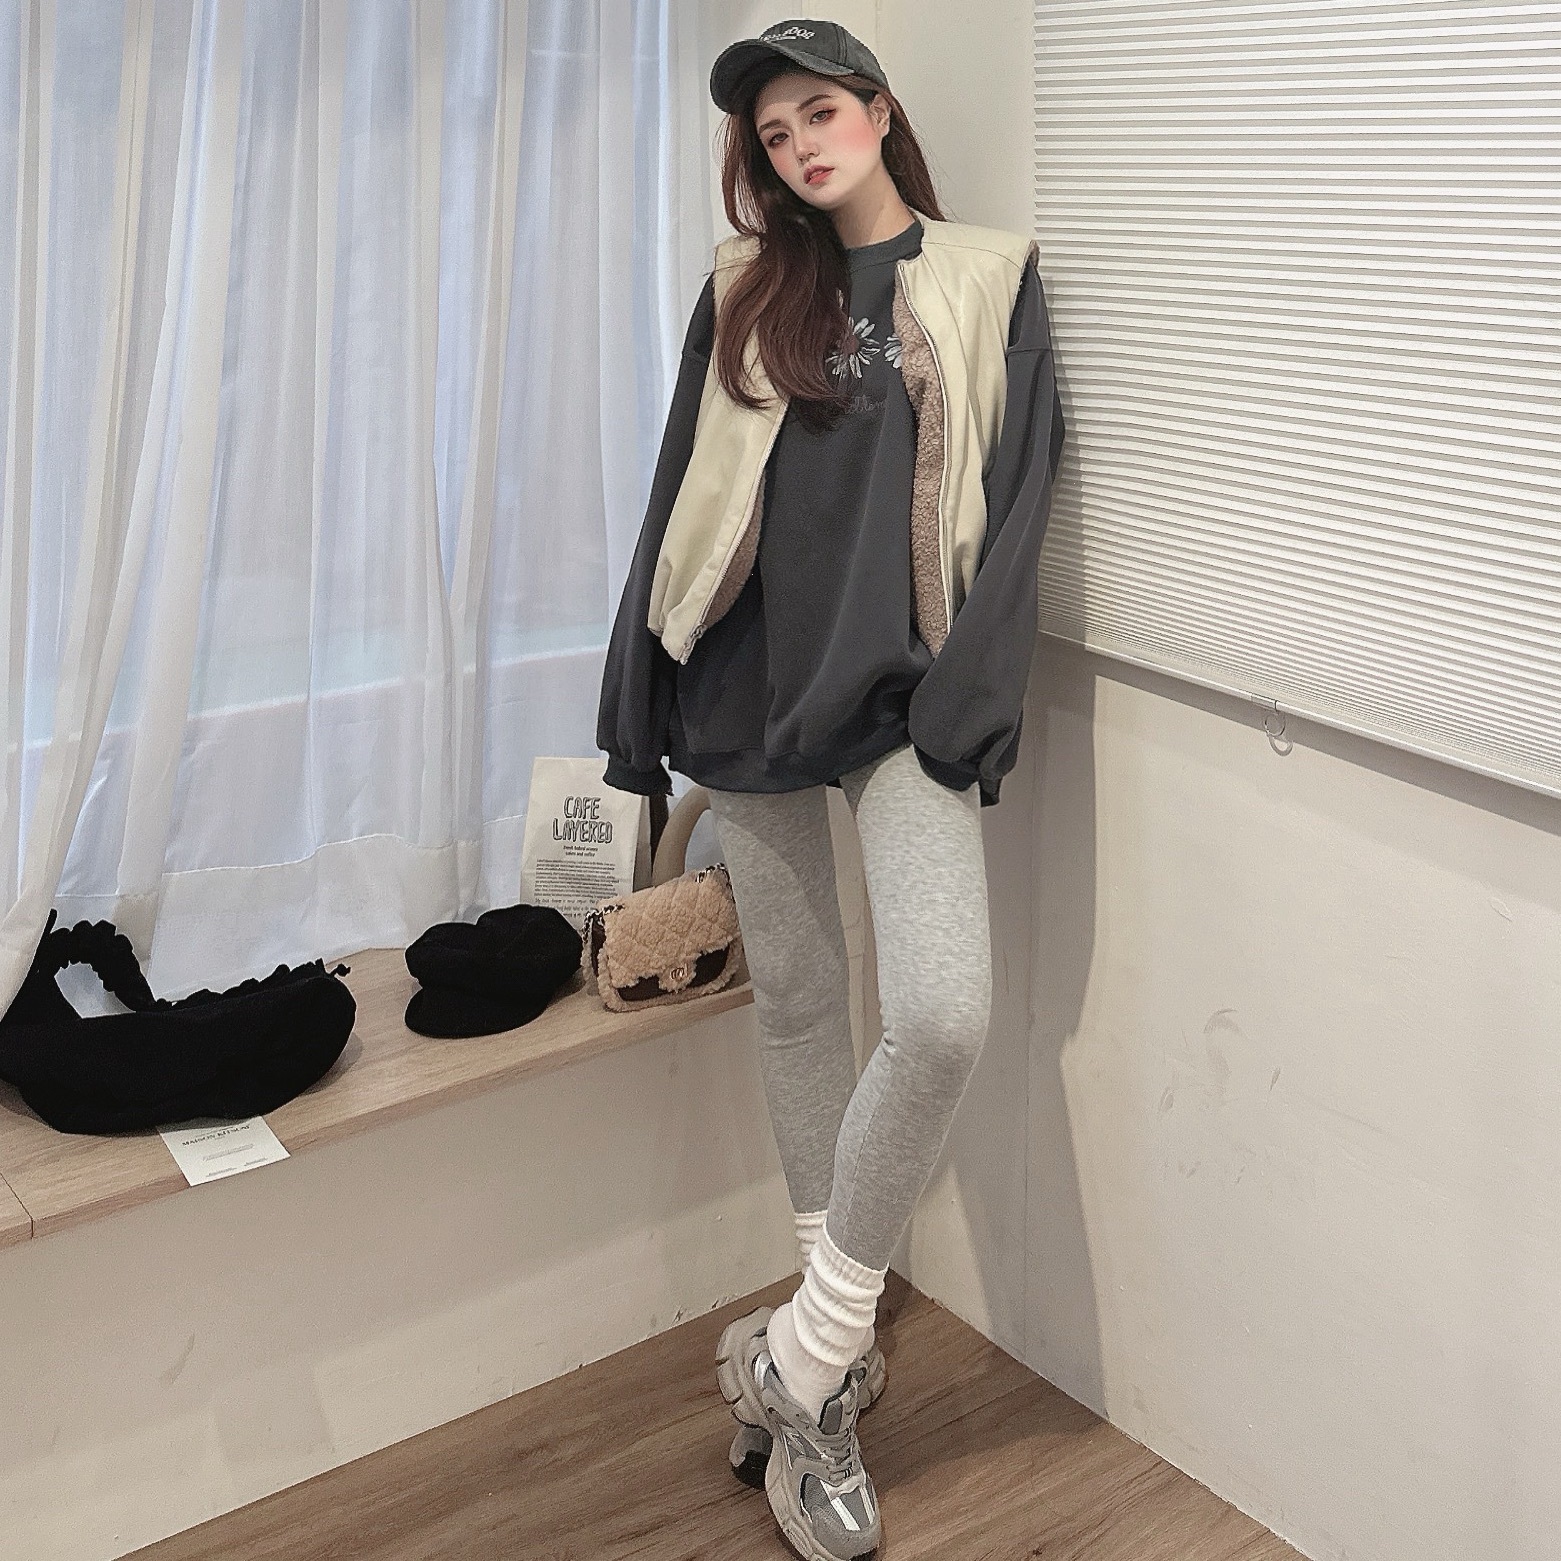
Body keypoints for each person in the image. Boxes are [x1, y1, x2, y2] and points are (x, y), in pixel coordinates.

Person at [596, 18, 1066, 1560]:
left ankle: (801, 1352)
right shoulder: (743, 287)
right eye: (772, 133)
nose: (797, 146)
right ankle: (831, 1382)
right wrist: (637, 704)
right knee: (800, 1006)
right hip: (743, 690)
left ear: (875, 109)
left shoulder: (985, 274)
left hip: (899, 706)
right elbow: (681, 494)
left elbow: (1020, 501)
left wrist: (964, 704)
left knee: (939, 1013)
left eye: (816, 112)